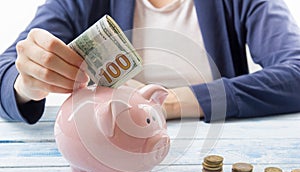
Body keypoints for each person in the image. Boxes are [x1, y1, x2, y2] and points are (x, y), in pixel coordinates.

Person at [1, 0, 300, 124]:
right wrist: (26, 83)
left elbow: (296, 71)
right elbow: (7, 71)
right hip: (107, 151)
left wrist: (170, 102)